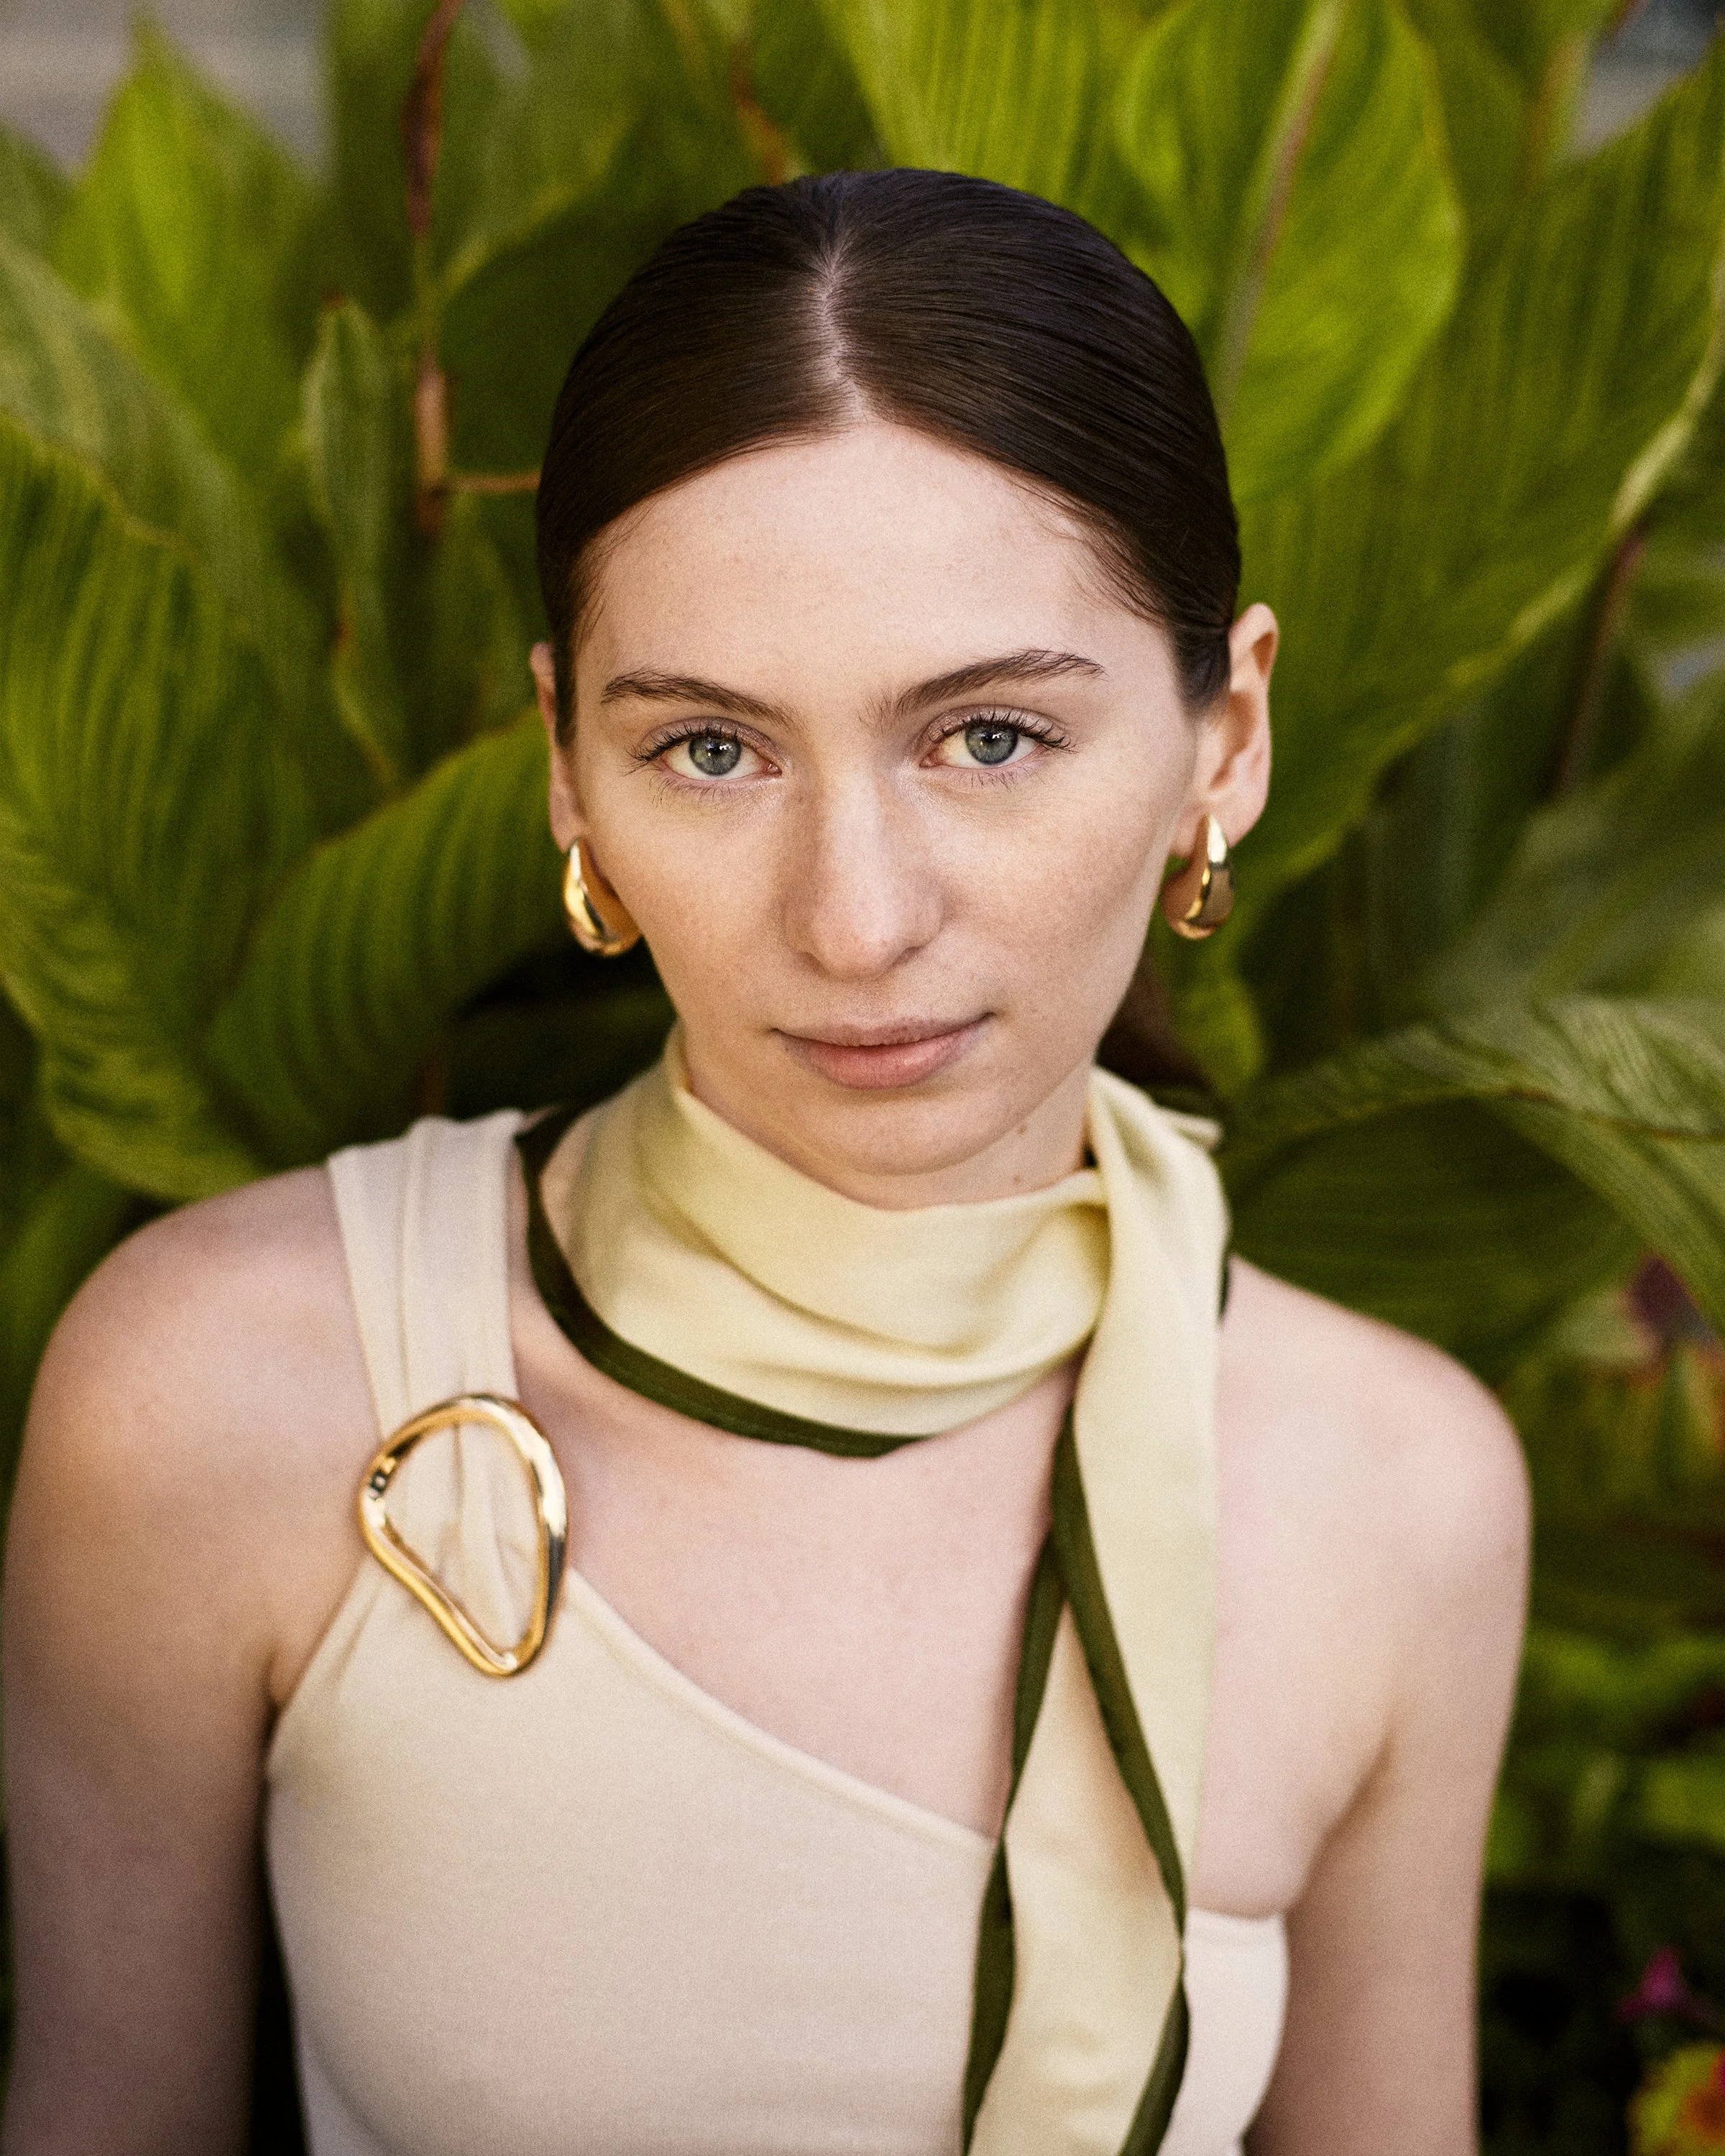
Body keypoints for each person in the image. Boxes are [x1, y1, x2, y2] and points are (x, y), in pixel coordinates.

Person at [1, 170, 1529, 2156]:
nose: (857, 919)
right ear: (569, 763)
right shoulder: (228, 1391)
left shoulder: (1394, 1491)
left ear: (1222, 737)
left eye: (986, 738)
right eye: (712, 750)